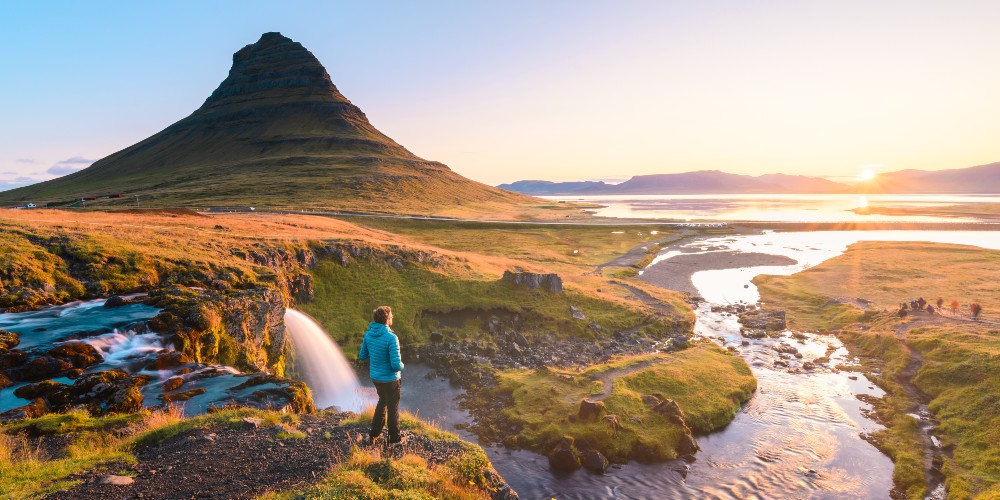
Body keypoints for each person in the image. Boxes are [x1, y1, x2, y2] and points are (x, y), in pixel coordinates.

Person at [359, 306, 405, 445]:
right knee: (393, 408)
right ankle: (395, 440)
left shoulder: (368, 335)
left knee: (382, 401)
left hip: (376, 378)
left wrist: (376, 355)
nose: (392, 318)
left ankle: (374, 434)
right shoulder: (391, 337)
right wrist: (403, 366)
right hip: (391, 379)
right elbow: (396, 365)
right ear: (386, 319)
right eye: (391, 316)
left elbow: (362, 356)